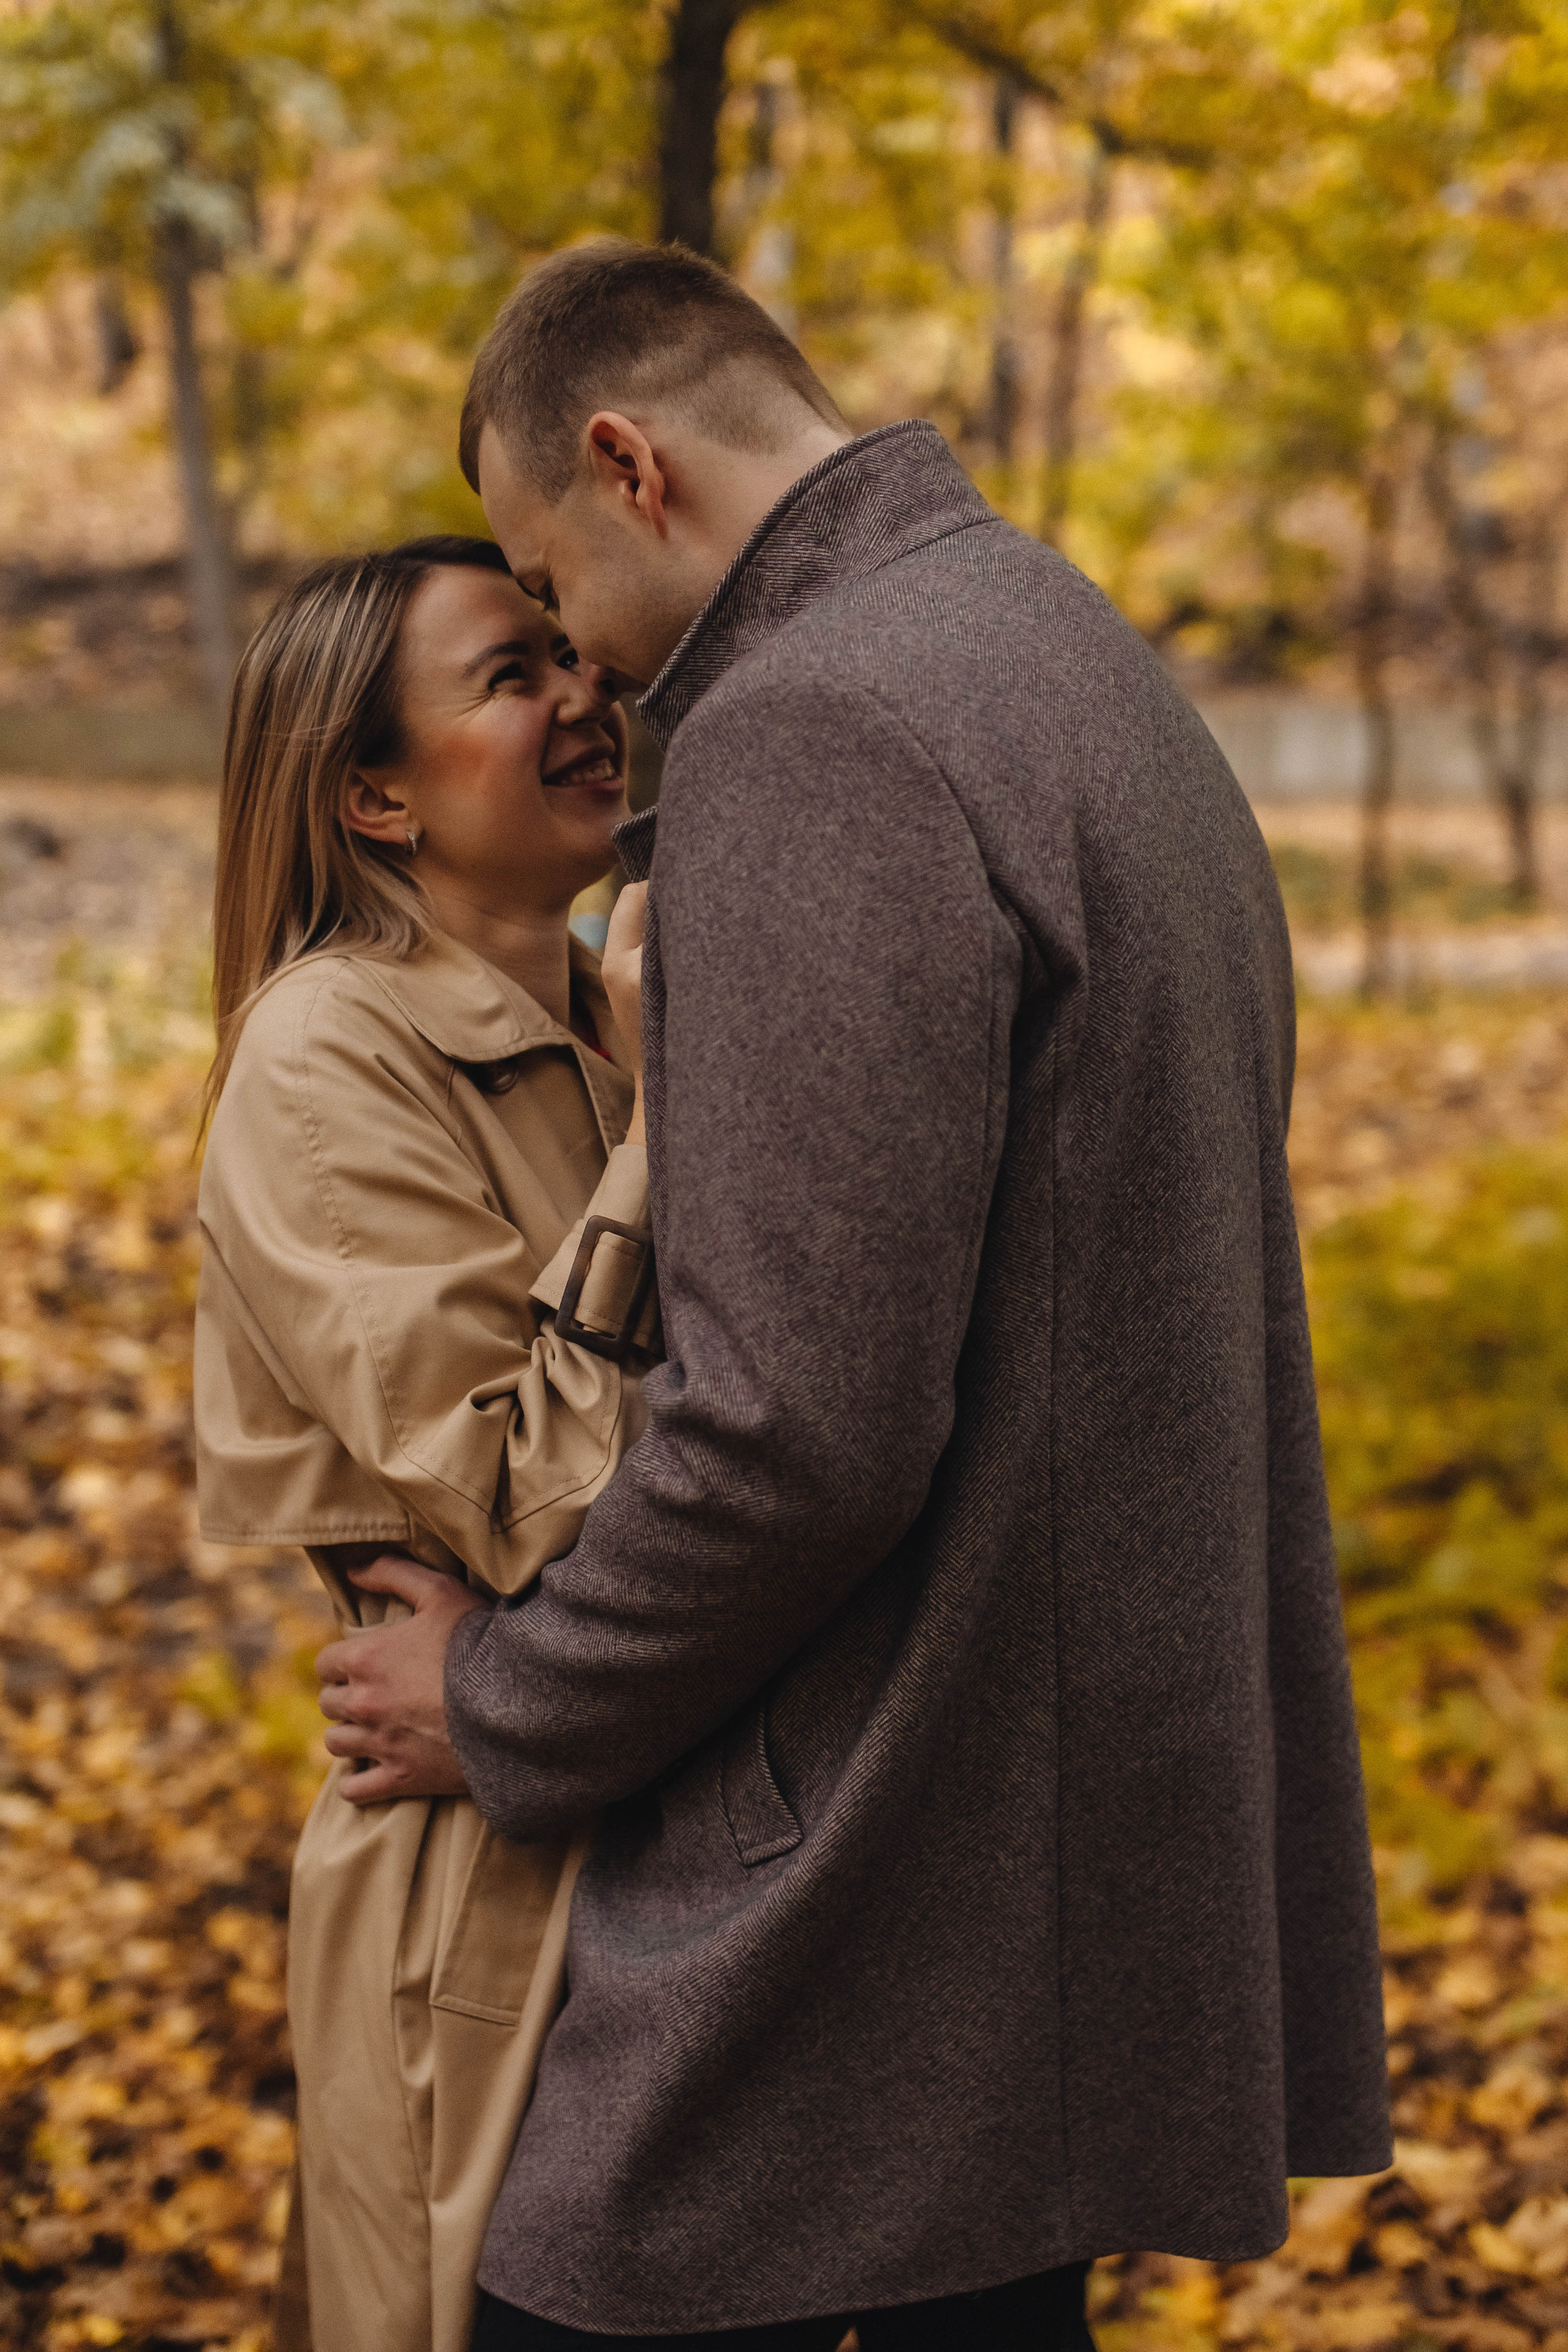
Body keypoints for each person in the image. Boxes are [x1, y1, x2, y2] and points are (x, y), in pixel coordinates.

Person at [318, 242, 1393, 2351]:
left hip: (863, 1869)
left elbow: (799, 1430)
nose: (582, 669)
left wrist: (506, 1706)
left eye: (554, 589)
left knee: (558, 2300)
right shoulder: (1070, 653)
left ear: (629, 464)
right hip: (1058, 1845)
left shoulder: (815, 729)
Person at [192, 534, 660, 2352]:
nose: (583, 692)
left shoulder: (602, 1022)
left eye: (572, 651)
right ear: (373, 795)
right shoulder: (321, 1059)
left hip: (635, 1816)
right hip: (475, 1885)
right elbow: (543, 1502)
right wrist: (669, 1139)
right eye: (512, 673)